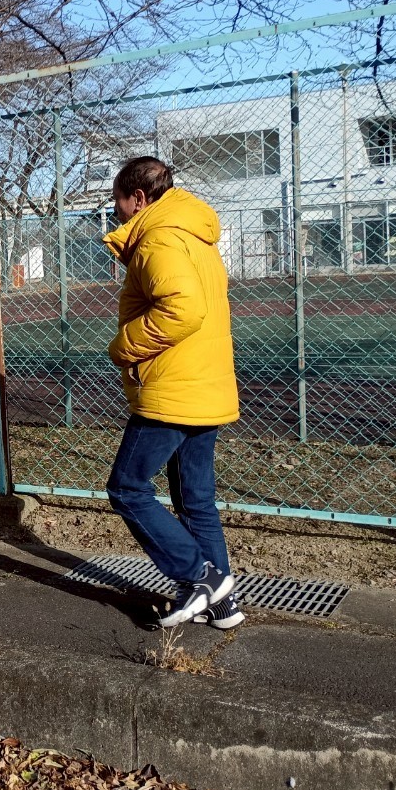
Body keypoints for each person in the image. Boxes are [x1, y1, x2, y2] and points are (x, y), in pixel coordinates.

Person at [101, 157, 244, 629]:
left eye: (119, 201)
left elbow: (183, 309)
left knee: (127, 487)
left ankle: (198, 577)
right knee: (195, 500)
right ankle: (222, 604)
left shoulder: (158, 237)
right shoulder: (193, 234)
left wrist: (124, 347)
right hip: (204, 382)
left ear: (139, 198)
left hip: (173, 388)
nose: (117, 211)